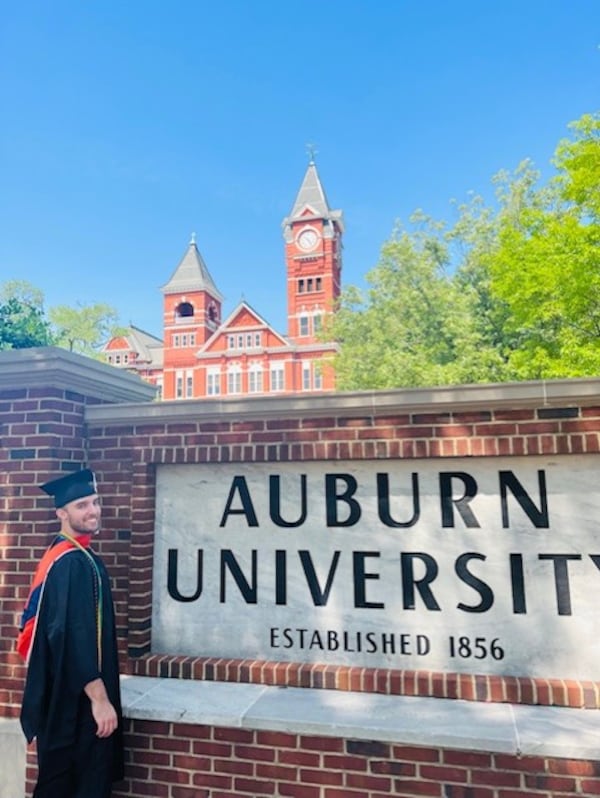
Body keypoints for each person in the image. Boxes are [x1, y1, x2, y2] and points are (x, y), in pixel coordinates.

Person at [17, 468, 124, 798]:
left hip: (68, 699)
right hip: (75, 706)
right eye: (81, 505)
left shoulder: (74, 556)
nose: (93, 510)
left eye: (95, 501)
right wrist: (100, 700)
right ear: (61, 513)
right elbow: (71, 634)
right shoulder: (70, 563)